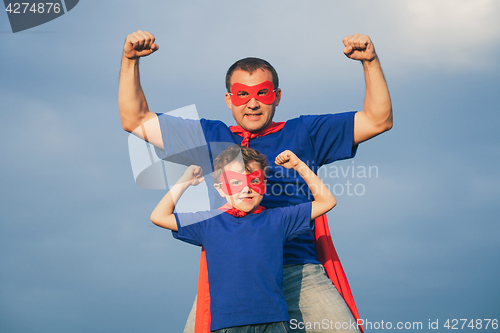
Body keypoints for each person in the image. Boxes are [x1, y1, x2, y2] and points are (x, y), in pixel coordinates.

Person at [119, 30, 392, 333]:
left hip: (297, 271)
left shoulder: (305, 132)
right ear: (228, 99)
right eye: (242, 94)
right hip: (233, 276)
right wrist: (130, 60)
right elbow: (135, 119)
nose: (252, 104)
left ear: (276, 95)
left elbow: (377, 120)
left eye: (262, 93)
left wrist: (370, 61)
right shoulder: (210, 136)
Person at [150, 145, 337, 333]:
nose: (247, 188)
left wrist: (299, 166)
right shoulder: (208, 223)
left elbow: (327, 201)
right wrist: (184, 181)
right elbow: (159, 216)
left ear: (264, 185)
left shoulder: (278, 219)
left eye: (254, 180)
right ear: (220, 189)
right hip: (228, 325)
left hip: (275, 322)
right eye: (235, 182)